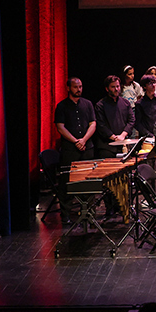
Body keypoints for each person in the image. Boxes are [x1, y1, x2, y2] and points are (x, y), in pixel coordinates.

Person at [55, 78, 97, 218]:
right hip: (70, 150)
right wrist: (76, 141)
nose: (78, 89)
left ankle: (88, 211)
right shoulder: (62, 106)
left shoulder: (88, 104)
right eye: (75, 87)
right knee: (67, 181)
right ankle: (66, 213)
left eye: (80, 86)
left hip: (87, 148)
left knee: (88, 180)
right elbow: (60, 127)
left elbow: (93, 124)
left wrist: (84, 140)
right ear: (68, 88)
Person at [95, 75, 134, 157]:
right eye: (113, 87)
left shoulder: (126, 103)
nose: (116, 89)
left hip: (124, 144)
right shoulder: (100, 105)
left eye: (118, 86)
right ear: (107, 89)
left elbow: (131, 120)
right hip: (107, 146)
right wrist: (114, 138)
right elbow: (101, 125)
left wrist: (122, 136)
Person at [135, 74, 156, 138]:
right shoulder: (139, 104)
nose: (153, 85)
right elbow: (138, 124)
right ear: (144, 86)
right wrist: (149, 135)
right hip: (146, 138)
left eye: (154, 83)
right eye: (150, 83)